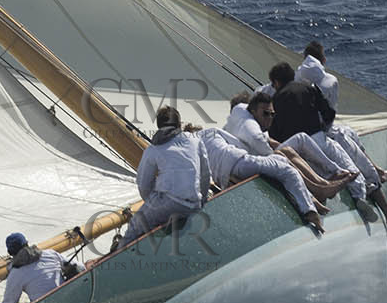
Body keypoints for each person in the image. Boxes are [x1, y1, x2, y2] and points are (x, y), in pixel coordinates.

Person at [269, 62, 387, 227]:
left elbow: (275, 132)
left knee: (329, 173)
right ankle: (367, 200)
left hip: (299, 152)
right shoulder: (308, 88)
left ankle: (332, 206)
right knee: (351, 169)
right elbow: (328, 112)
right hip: (320, 139)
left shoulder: (275, 100)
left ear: (277, 82)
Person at [296, 41, 387, 186]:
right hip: (319, 131)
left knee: (350, 132)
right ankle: (371, 178)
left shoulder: (296, 79)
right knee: (344, 139)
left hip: (309, 129)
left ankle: (378, 171)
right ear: (323, 60)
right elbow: (330, 114)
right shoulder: (330, 81)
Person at [226, 91, 355, 208]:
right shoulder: (250, 129)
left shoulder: (245, 119)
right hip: (254, 162)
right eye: (265, 114)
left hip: (260, 155)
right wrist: (284, 151)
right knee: (290, 150)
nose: (269, 118)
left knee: (298, 140)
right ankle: (323, 183)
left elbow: (269, 141)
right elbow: (261, 143)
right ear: (251, 111)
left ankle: (330, 176)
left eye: (272, 114)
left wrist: (283, 147)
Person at [198, 120, 324, 235]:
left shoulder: (193, 149)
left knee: (280, 159)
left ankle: (309, 198)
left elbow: (203, 174)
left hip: (224, 178)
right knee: (289, 172)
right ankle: (310, 211)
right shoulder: (211, 132)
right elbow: (239, 145)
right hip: (239, 162)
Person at [117, 106, 210, 248]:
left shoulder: (153, 150)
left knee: (136, 224)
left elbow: (143, 184)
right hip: (194, 203)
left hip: (169, 203)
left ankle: (121, 252)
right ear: (179, 124)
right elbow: (205, 173)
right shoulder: (195, 140)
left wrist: (153, 204)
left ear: (159, 126)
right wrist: (202, 200)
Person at [0, 232, 72, 303]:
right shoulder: (50, 254)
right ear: (27, 243)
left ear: (10, 253)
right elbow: (79, 267)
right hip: (68, 298)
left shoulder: (15, 274)